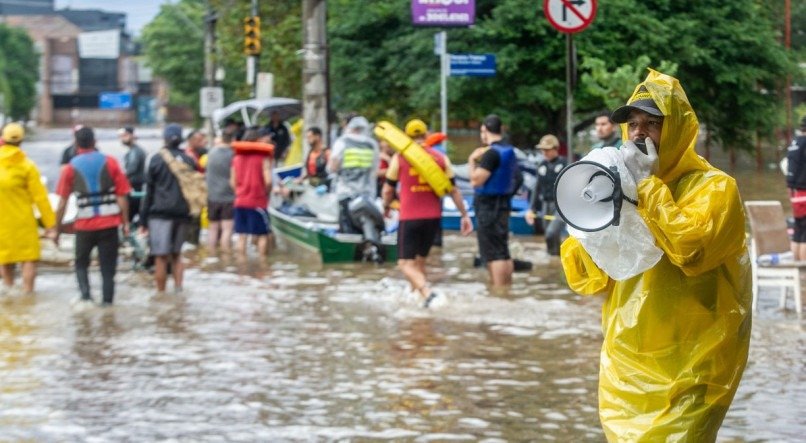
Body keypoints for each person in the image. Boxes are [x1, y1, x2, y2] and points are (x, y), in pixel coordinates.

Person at [560, 70, 751, 441]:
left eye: (652, 123)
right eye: (633, 123)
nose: (639, 133)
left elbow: (691, 250)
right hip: (628, 365)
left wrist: (648, 185)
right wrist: (587, 221)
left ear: (677, 128)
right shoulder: (621, 189)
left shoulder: (715, 188)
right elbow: (585, 277)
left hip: (697, 363)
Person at [381, 138, 472, 308]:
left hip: (409, 216)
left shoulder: (400, 157)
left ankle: (427, 293)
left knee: (404, 263)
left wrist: (385, 206)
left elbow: (388, 189)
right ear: (426, 135)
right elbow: (453, 189)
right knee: (419, 261)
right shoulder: (440, 157)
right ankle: (416, 297)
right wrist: (464, 215)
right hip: (433, 217)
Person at [54, 127, 131, 306]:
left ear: (76, 144)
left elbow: (62, 203)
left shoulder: (70, 167)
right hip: (109, 225)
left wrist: (57, 230)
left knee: (81, 264)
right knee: (108, 269)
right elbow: (122, 196)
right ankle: (107, 305)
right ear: (95, 142)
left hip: (84, 227)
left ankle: (86, 297)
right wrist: (125, 223)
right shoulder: (111, 162)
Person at [0, 123, 57, 295]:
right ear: (21, 141)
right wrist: (50, 225)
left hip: (2, 222)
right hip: (24, 222)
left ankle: (9, 291)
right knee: (29, 258)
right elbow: (41, 198)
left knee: (5, 258)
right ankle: (28, 294)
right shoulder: (27, 166)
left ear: (3, 139)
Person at [140, 124, 195, 294]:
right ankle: (179, 290)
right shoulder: (189, 160)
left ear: (164, 139)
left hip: (159, 215)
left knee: (161, 257)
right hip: (183, 214)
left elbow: (148, 192)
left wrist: (143, 219)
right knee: (177, 255)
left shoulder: (156, 159)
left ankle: (161, 294)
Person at [468, 114, 521, 287]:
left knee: (492, 252)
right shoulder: (509, 151)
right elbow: (518, 178)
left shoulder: (491, 153)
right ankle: (507, 287)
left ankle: (498, 290)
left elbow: (476, 181)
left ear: (485, 131)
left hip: (489, 206)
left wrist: (471, 161)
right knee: (503, 250)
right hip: (504, 203)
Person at [327, 116, 380, 234]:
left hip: (346, 193)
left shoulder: (342, 142)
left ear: (350, 128)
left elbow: (333, 167)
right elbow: (375, 169)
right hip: (366, 195)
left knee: (347, 228)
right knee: (364, 227)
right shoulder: (372, 145)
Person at [230, 128, 273, 256]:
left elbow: (232, 182)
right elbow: (269, 181)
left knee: (241, 236)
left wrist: (239, 193)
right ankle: (263, 264)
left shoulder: (236, 158)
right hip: (257, 202)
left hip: (240, 202)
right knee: (262, 235)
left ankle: (241, 268)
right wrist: (266, 193)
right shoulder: (263, 158)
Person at [525, 134, 567, 256]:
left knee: (551, 232)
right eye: (542, 149)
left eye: (547, 149)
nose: (544, 152)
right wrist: (531, 209)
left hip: (561, 205)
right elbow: (536, 188)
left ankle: (558, 256)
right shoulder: (541, 165)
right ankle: (554, 258)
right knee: (548, 237)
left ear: (555, 149)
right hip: (545, 204)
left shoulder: (564, 163)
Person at [205, 128, 236, 254]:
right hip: (228, 197)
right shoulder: (233, 155)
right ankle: (225, 257)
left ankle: (211, 254)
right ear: (233, 140)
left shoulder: (211, 153)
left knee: (212, 229)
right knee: (227, 229)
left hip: (212, 196)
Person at [786, 116, 806, 259]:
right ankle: (804, 275)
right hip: (804, 192)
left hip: (796, 195)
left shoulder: (795, 143)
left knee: (798, 231)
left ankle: (797, 272)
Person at [120, 126, 147, 227]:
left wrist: (119, 178)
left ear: (132, 136)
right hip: (134, 189)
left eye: (125, 135)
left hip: (135, 189)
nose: (122, 138)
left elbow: (131, 170)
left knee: (129, 217)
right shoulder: (133, 151)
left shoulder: (136, 151)